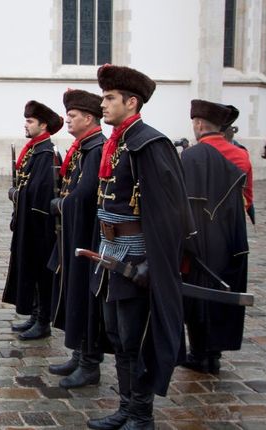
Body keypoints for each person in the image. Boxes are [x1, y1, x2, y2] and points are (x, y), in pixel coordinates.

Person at [86, 64, 194, 430]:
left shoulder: (149, 143)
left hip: (135, 257)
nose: (103, 104)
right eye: (103, 97)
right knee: (117, 336)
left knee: (134, 338)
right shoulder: (118, 143)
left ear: (131, 102)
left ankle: (141, 415)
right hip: (110, 254)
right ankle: (125, 408)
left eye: (109, 98)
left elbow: (170, 211)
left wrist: (152, 262)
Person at [179, 100, 251, 376]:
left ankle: (199, 353)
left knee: (198, 293)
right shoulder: (241, 155)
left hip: (200, 234)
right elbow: (248, 198)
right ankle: (214, 354)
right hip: (231, 233)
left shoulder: (191, 155)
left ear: (198, 124)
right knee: (223, 292)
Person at [47, 89, 106, 389]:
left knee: (85, 296)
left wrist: (60, 205)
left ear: (89, 117)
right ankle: (79, 352)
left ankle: (89, 362)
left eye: (72, 116)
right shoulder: (85, 147)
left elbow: (84, 194)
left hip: (88, 235)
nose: (67, 121)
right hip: (75, 231)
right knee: (75, 293)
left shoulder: (96, 149)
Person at [2, 101, 62, 341]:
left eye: (30, 121)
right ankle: (36, 314)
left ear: (43, 125)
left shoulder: (47, 154)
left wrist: (17, 195)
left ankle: (43, 320)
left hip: (40, 227)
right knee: (31, 272)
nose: (26, 125)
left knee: (41, 274)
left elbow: (41, 192)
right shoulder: (34, 150)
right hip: (28, 224)